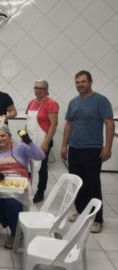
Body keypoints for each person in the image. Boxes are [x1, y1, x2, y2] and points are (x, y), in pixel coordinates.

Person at [61, 70, 114, 234]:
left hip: (93, 149)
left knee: (92, 183)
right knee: (77, 183)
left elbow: (110, 124)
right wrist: (64, 145)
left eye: (83, 81)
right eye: (77, 82)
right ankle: (81, 210)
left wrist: (108, 147)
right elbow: (68, 125)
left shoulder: (100, 101)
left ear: (90, 82)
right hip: (75, 149)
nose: (80, 85)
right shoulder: (73, 102)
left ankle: (98, 219)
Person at [0, 124, 45, 248]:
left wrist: (29, 142)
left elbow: (41, 156)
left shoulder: (21, 148)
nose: (0, 139)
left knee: (11, 202)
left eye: (3, 135)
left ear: (9, 136)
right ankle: (13, 225)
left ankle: (14, 233)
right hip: (0, 185)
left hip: (20, 185)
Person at [25, 80, 59, 203]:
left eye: (42, 88)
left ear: (46, 90)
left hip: (43, 139)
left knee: (42, 167)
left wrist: (46, 142)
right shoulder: (31, 103)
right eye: (36, 88)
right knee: (28, 165)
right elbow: (28, 122)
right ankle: (27, 188)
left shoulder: (51, 103)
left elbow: (54, 124)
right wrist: (24, 139)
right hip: (30, 139)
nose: (38, 90)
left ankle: (40, 191)